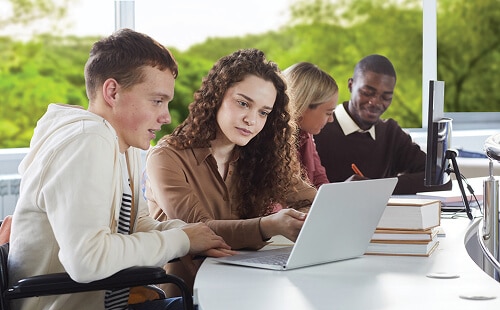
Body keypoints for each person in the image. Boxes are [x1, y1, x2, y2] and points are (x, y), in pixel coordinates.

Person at [8, 28, 232, 310]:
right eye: (157, 101)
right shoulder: (87, 139)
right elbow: (87, 260)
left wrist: (198, 235)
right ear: (112, 92)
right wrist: (182, 241)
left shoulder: (122, 146)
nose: (166, 116)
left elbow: (137, 225)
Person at [144, 49, 317, 295]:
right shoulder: (166, 157)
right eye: (243, 103)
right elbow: (201, 231)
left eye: (263, 112)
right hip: (186, 302)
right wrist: (270, 226)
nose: (251, 120)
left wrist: (305, 217)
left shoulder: (263, 156)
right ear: (216, 97)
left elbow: (309, 200)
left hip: (248, 287)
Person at [314, 54, 452, 194]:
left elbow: (440, 178)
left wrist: (375, 187)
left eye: (386, 97)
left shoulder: (390, 133)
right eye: (367, 93)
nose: (375, 102)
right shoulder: (318, 128)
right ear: (351, 85)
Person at [282, 62, 339, 188]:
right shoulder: (270, 140)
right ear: (302, 106)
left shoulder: (306, 135)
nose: (331, 120)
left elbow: (320, 180)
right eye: (328, 113)